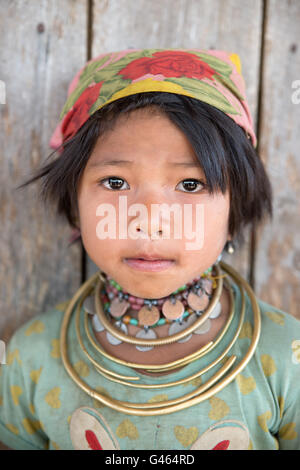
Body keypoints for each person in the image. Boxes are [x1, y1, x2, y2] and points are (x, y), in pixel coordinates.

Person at [1, 48, 299, 451]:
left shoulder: (286, 356)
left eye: (190, 185)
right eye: (116, 183)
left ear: (235, 207)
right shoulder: (31, 356)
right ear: (74, 204)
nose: (149, 220)